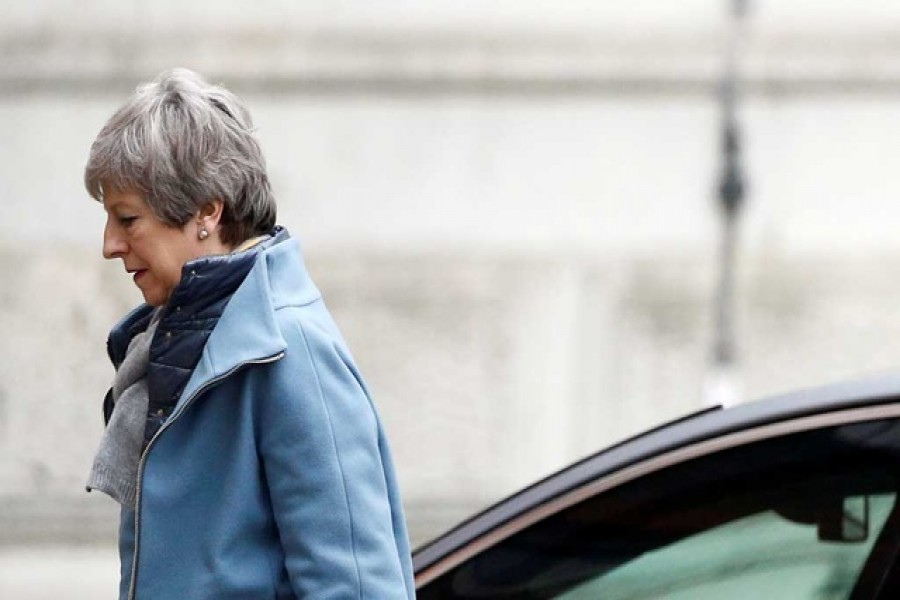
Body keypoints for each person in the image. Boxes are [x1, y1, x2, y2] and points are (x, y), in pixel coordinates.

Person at [83, 68, 415, 599]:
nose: (109, 244)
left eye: (127, 219)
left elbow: (355, 586)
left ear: (206, 211)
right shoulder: (170, 346)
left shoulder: (289, 348)